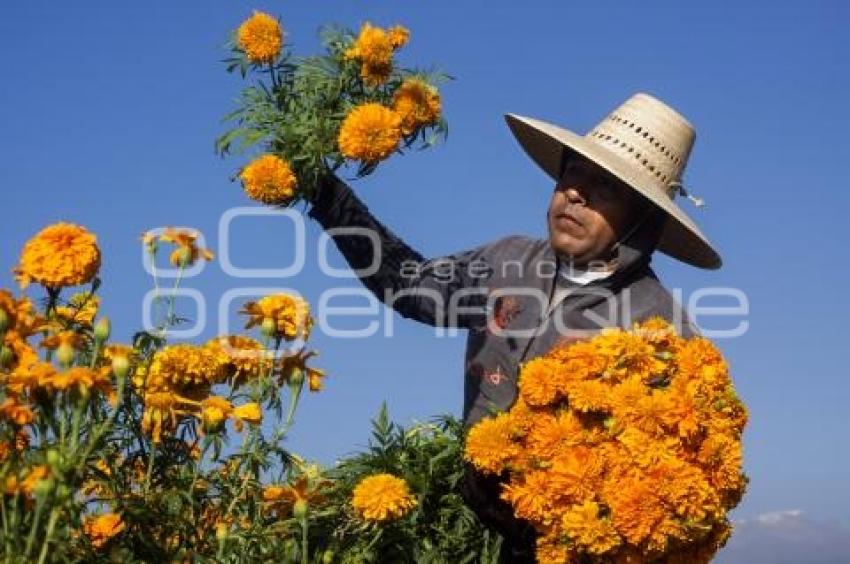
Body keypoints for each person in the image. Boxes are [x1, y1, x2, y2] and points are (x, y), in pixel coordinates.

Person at [306, 92, 720, 562]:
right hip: (486, 532)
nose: (574, 194)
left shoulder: (660, 330)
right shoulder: (507, 262)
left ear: (642, 220)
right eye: (572, 174)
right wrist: (327, 196)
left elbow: (670, 485)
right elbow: (407, 285)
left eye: (604, 188)